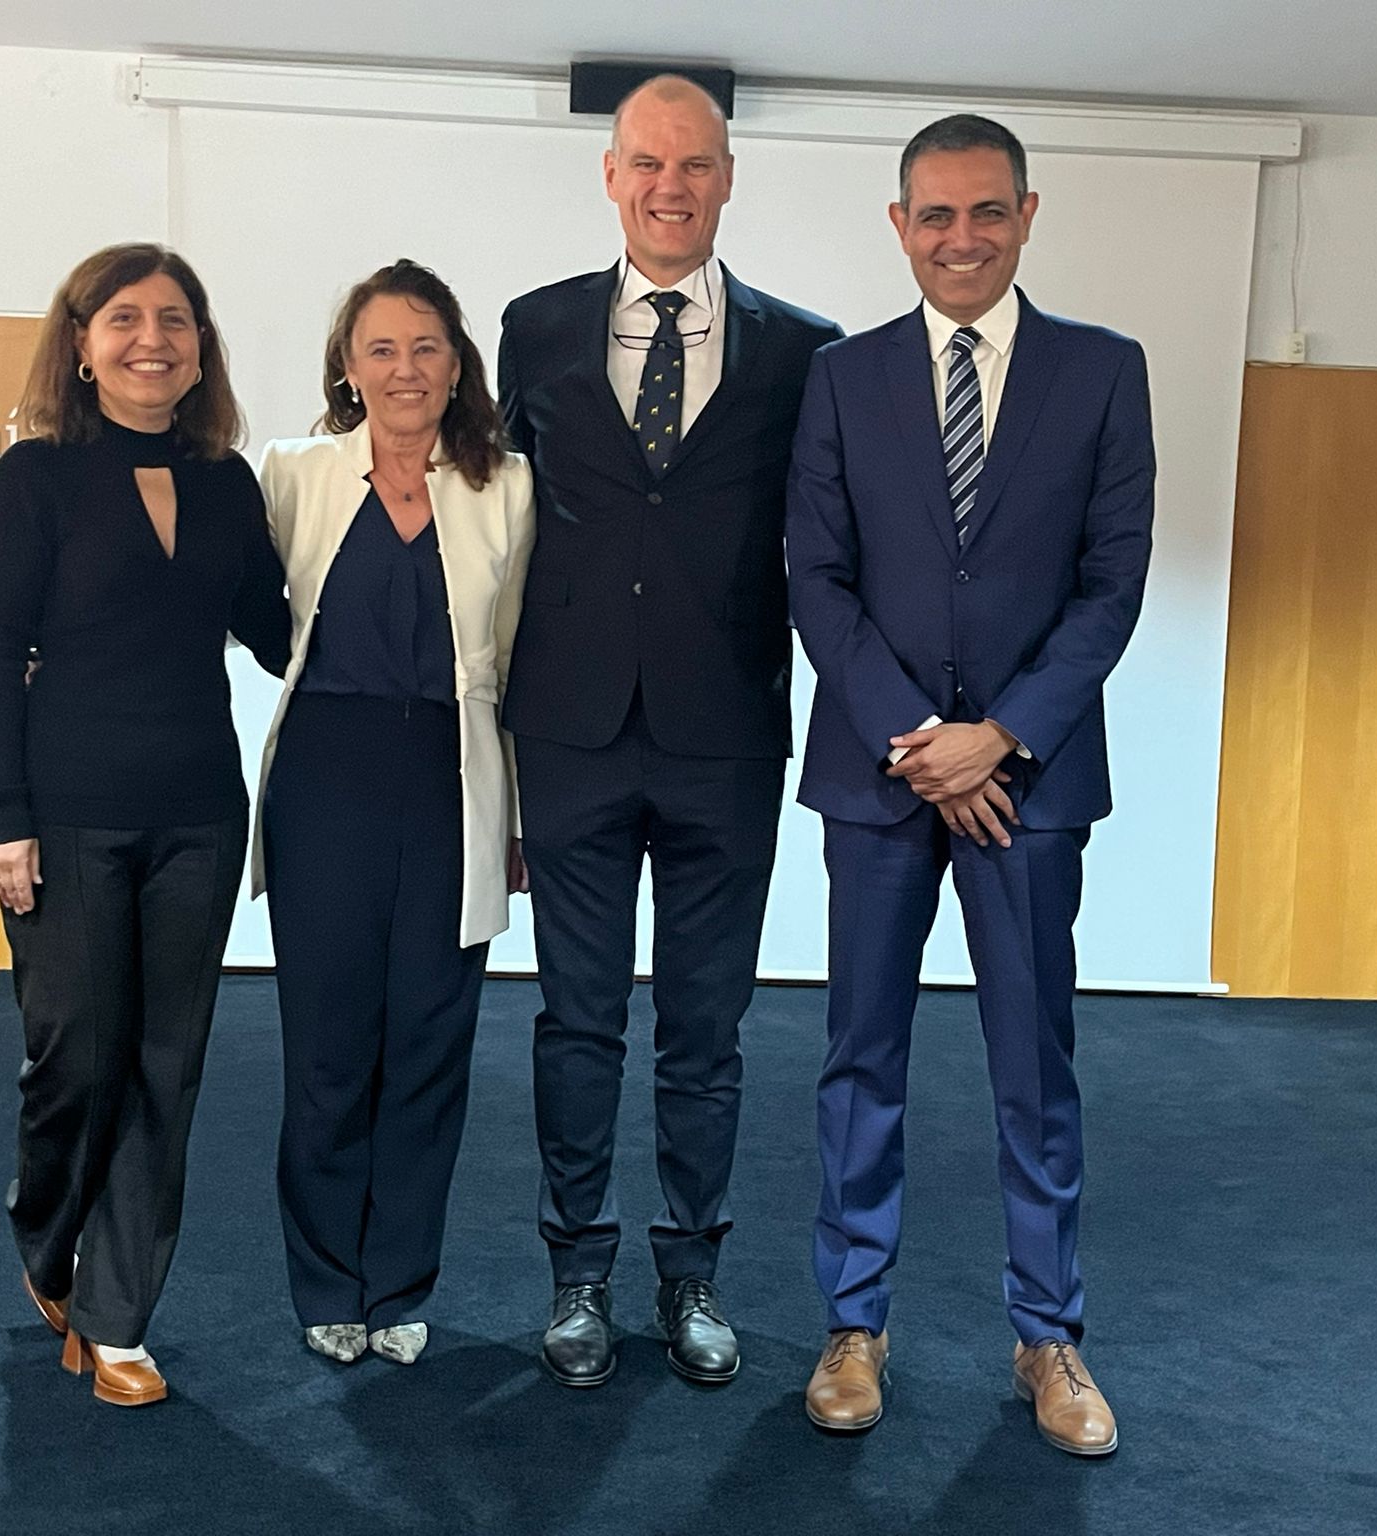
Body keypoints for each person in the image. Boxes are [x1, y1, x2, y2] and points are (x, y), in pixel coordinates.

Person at [786, 114, 1155, 1449]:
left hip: (1029, 784)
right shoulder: (842, 377)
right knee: (860, 1057)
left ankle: (1048, 1338)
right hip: (880, 776)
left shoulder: (1102, 372)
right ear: (900, 226)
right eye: (935, 214)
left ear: (1026, 214)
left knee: (1033, 1067)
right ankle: (852, 1326)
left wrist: (997, 736)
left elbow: (1111, 584)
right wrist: (918, 739)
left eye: (986, 210)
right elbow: (816, 578)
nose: (962, 237)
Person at [498, 74, 840, 1388]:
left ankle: (691, 1274)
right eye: (646, 162)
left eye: (694, 164)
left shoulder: (805, 351)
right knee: (576, 1023)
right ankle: (576, 1274)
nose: (669, 186)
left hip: (725, 736)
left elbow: (830, 544)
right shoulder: (533, 328)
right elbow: (497, 522)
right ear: (610, 177)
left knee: (706, 1032)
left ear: (728, 178)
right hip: (570, 732)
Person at [0, 242, 291, 1408]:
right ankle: (47, 1239)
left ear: (201, 349)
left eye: (175, 320)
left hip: (197, 814)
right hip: (66, 817)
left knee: (164, 1066)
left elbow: (280, 632)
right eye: (125, 319)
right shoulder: (33, 477)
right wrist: (3, 817)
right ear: (82, 346)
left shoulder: (226, 482)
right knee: (74, 1060)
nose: (153, 339)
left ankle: (115, 1317)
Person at [255, 260, 534, 1369]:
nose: (404, 368)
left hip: (453, 779)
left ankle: (400, 1283)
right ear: (347, 366)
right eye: (380, 348)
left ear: (457, 364)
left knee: (429, 1041)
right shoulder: (294, 474)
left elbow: (521, 661)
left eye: (425, 346)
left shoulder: (509, 486)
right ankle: (328, 1282)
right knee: (328, 1045)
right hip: (325, 779)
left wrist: (519, 818)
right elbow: (244, 614)